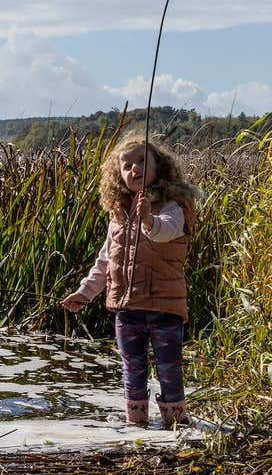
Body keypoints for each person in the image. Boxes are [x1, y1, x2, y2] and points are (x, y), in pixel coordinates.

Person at [61, 137, 201, 429]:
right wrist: (85, 293)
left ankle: (177, 426)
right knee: (132, 368)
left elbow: (166, 231)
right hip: (127, 309)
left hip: (164, 307)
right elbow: (106, 262)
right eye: (126, 165)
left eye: (141, 162)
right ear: (118, 174)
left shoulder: (173, 205)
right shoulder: (119, 214)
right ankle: (136, 424)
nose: (134, 168)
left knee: (169, 369)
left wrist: (149, 219)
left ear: (158, 166)